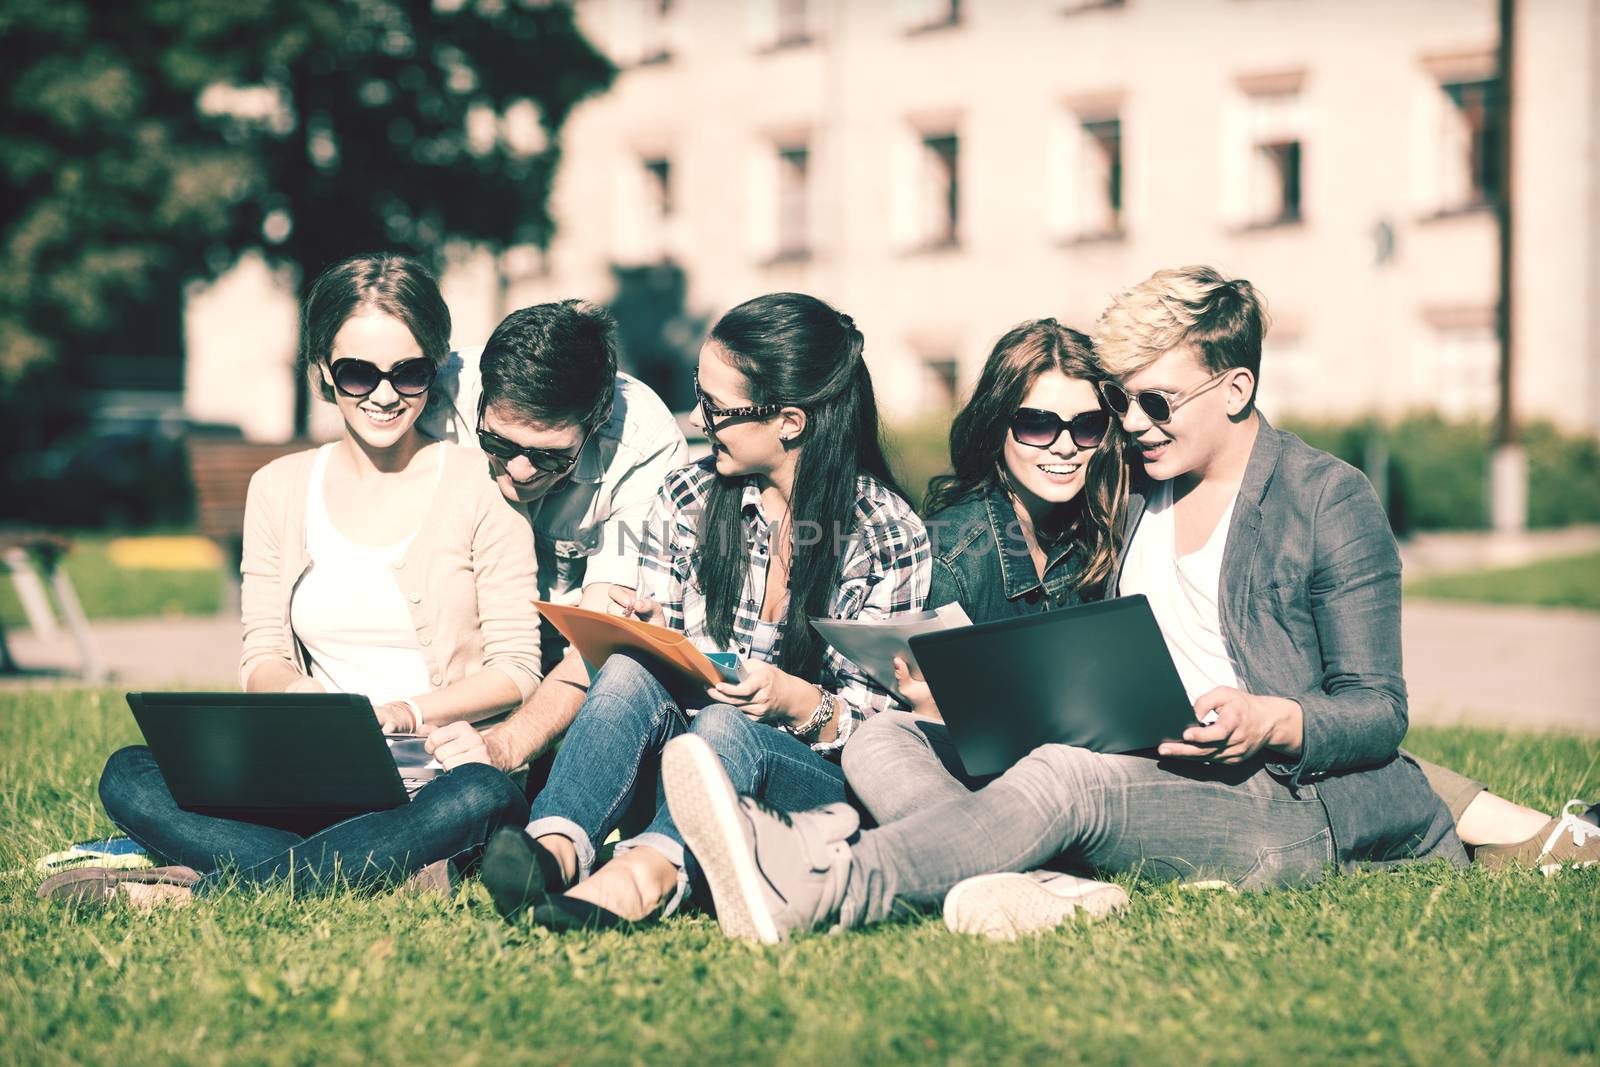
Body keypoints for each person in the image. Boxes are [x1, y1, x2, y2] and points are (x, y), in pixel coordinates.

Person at [659, 265, 1561, 944]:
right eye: (1123, 401)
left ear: (1237, 389)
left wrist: (1271, 717)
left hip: (1273, 797)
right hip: (1141, 765)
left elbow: (1378, 709)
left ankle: (822, 886)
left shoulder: (1327, 499)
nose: (1127, 425)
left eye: (1154, 401)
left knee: (1059, 775)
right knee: (884, 734)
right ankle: (1049, 888)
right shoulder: (1131, 494)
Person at [40, 254, 540, 908]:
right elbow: (262, 654)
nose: (384, 395)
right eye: (358, 373)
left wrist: (408, 711)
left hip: (435, 778)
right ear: (323, 373)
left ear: (434, 370)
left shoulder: (482, 485)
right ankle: (385, 870)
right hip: (307, 779)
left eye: (409, 373)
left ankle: (207, 890)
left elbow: (517, 668)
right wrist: (306, 699)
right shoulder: (277, 488)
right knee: (129, 774)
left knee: (488, 792)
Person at [477, 292, 931, 929]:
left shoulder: (883, 535)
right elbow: (663, 656)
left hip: (811, 783)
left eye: (716, 408)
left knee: (726, 726)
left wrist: (799, 702)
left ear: (791, 423)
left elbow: (887, 733)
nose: (696, 417)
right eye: (699, 392)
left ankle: (642, 880)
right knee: (632, 671)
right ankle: (553, 851)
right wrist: (642, 630)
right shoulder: (688, 494)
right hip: (683, 754)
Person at [417, 301, 689, 774]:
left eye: (550, 457)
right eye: (498, 443)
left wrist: (506, 746)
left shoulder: (647, 447)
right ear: (480, 399)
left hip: (568, 651)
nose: (519, 471)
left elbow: (604, 636)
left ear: (598, 420)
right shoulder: (434, 392)